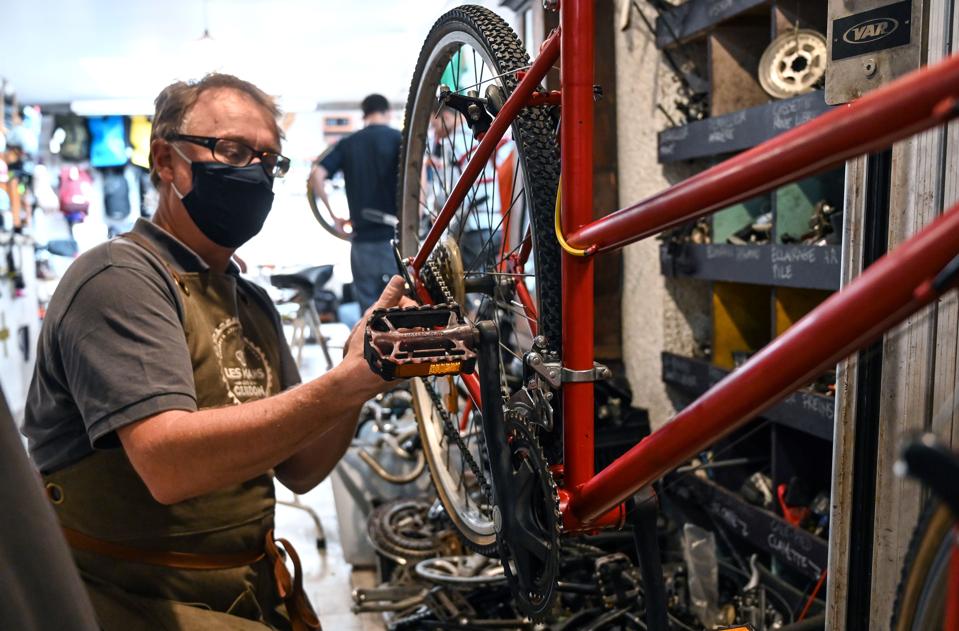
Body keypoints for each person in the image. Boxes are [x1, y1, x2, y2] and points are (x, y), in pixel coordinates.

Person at [21, 73, 413, 631]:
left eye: (268, 161)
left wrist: (363, 370)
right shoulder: (120, 279)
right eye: (231, 150)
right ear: (166, 160)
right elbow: (169, 464)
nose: (252, 171)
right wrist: (344, 384)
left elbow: (300, 468)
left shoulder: (249, 300)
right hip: (127, 601)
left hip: (246, 592)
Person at [311, 93, 402, 312]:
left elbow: (316, 175)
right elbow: (419, 183)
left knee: (369, 314)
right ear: (387, 112)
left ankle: (368, 347)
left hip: (362, 243)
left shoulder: (348, 143)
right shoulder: (399, 139)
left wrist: (334, 218)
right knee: (401, 309)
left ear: (364, 115)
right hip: (396, 241)